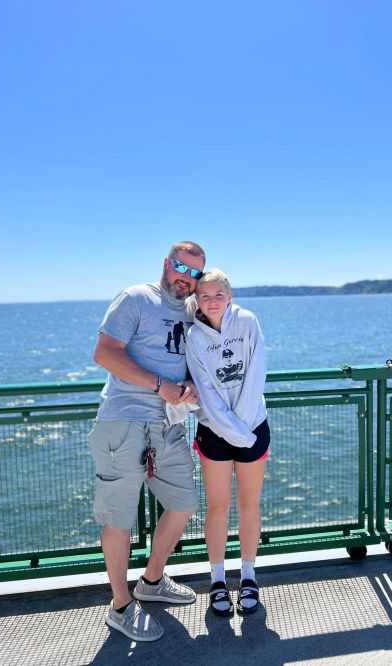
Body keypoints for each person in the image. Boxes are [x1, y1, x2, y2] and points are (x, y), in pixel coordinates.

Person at [88, 240, 206, 642]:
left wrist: (188, 384)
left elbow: (190, 362)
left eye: (194, 273)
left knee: (184, 503)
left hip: (168, 425)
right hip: (124, 422)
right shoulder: (136, 298)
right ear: (166, 264)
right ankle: (120, 606)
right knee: (119, 519)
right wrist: (159, 385)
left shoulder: (192, 311)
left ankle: (151, 582)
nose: (185, 278)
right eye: (180, 267)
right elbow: (105, 354)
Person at [185, 269, 270, 616]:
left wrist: (243, 428)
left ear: (230, 296)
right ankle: (218, 580)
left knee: (250, 505)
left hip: (252, 425)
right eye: (204, 296)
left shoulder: (247, 321)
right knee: (218, 508)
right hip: (215, 432)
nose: (212, 301)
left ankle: (248, 576)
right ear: (197, 301)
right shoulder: (194, 336)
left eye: (218, 295)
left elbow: (257, 372)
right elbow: (205, 390)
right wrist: (234, 431)